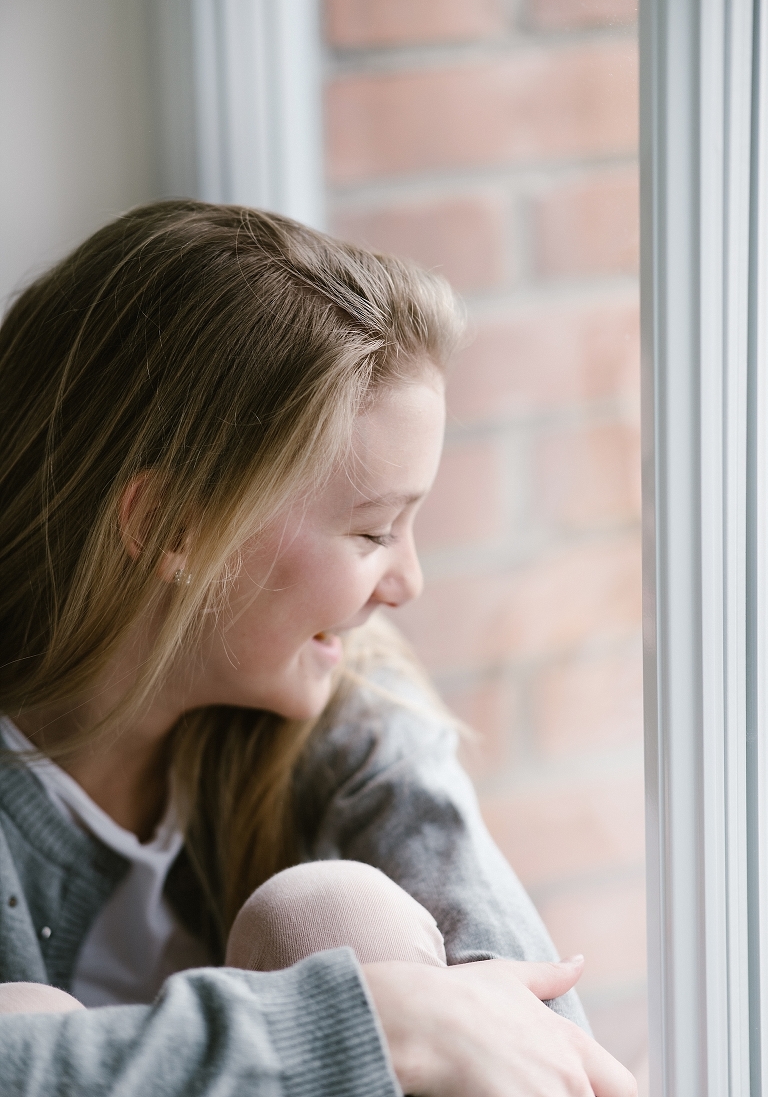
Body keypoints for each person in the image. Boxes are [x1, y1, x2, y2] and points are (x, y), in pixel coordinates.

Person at [0, 200, 636, 1096]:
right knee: (27, 1024)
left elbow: (521, 1019)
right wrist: (361, 1027)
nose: (406, 583)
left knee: (331, 912)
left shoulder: (348, 707)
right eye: (374, 532)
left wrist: (424, 1013)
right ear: (172, 523)